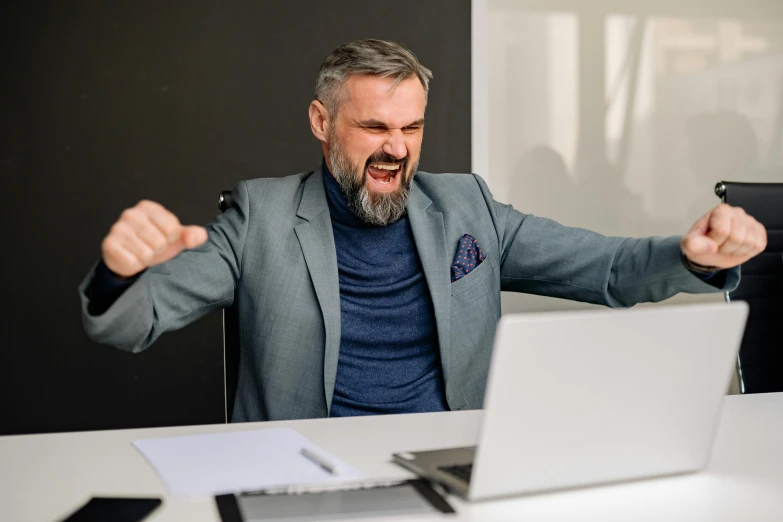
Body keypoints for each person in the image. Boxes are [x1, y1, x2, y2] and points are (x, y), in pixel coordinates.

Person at [79, 39, 767, 422]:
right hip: (305, 472)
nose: (396, 148)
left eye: (411, 128)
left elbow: (607, 271)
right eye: (374, 126)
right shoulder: (259, 217)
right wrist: (120, 273)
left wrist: (689, 257)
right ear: (322, 124)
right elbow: (128, 323)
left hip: (449, 462)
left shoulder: (465, 208)